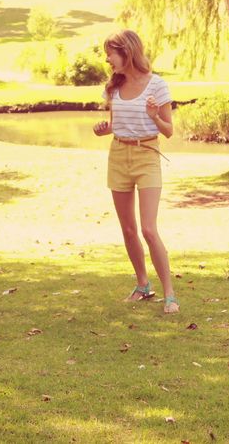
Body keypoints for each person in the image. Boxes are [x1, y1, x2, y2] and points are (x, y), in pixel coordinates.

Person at [92, 30, 179, 314]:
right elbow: (116, 124)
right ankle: (143, 285)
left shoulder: (157, 85)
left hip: (147, 156)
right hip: (118, 155)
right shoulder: (114, 87)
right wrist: (104, 130)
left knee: (148, 229)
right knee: (128, 229)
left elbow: (168, 131)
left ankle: (169, 295)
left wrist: (155, 116)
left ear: (127, 52)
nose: (107, 59)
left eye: (110, 54)